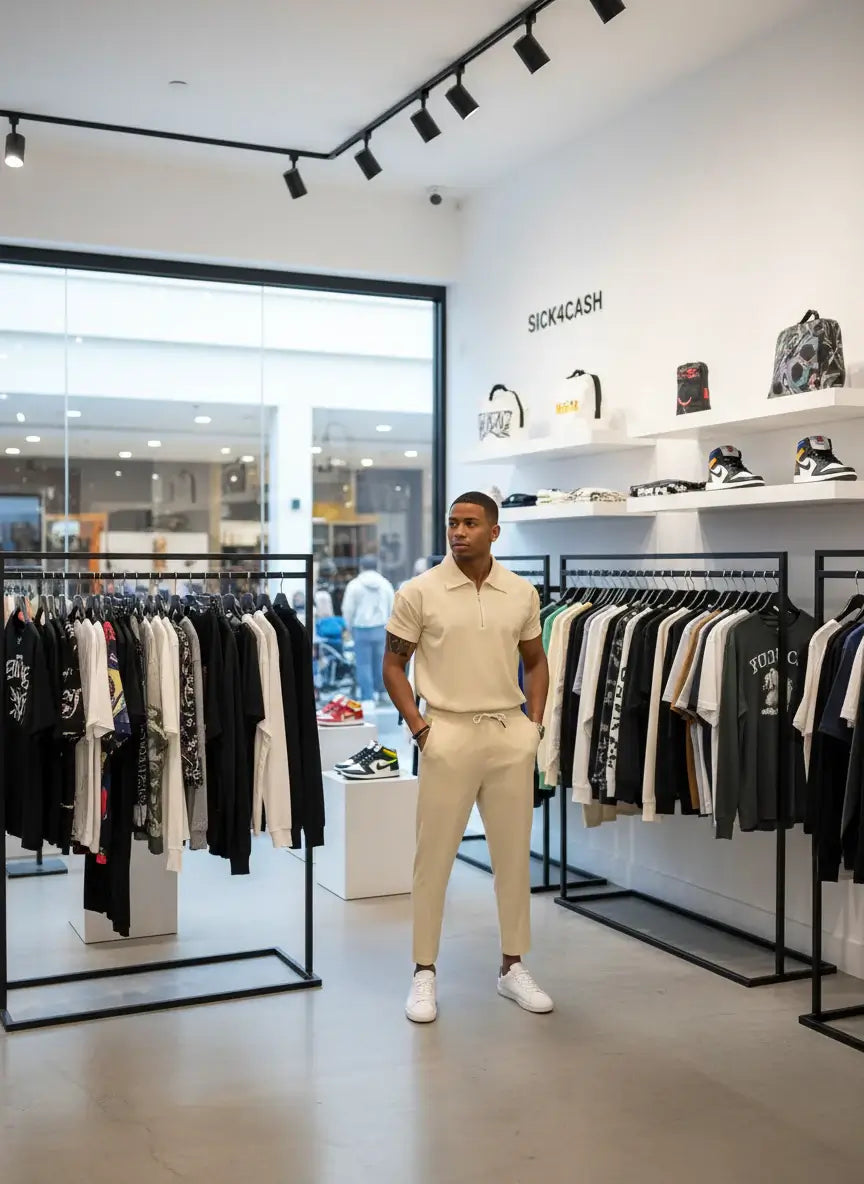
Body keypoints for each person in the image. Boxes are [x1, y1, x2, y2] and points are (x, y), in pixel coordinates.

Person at [383, 492, 552, 1024]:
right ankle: (424, 972)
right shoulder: (419, 592)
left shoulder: (521, 593)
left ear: (494, 532)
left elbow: (536, 661)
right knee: (432, 860)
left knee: (511, 858)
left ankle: (512, 967)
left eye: (471, 523)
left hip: (508, 733)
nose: (458, 531)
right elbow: (392, 666)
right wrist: (420, 728)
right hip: (447, 733)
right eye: (453, 523)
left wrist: (535, 726)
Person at [342, 554, 395, 704]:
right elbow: (393, 607)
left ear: (361, 567)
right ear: (377, 566)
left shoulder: (355, 585)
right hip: (381, 628)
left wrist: (349, 626)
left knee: (363, 664)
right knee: (381, 662)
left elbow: (348, 609)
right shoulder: (385, 584)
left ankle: (367, 697)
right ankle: (383, 692)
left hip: (361, 629)